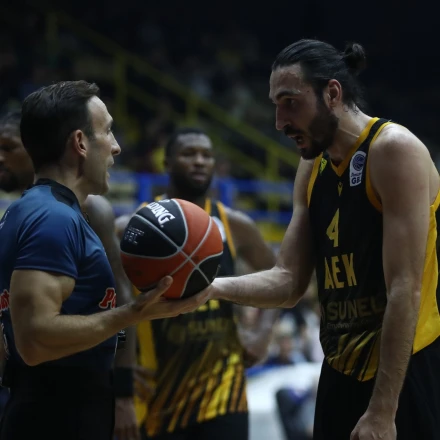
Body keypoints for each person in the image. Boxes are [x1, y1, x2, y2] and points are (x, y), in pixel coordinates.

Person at [203, 39, 440, 440]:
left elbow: (405, 289)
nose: (279, 121)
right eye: (276, 105)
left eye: (290, 103)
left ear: (332, 93)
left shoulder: (394, 150)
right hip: (339, 368)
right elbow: (288, 281)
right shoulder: (311, 166)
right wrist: (211, 288)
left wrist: (383, 410)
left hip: (404, 371)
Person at [0, 81, 209, 440]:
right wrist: (132, 314)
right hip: (56, 414)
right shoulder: (52, 217)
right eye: (108, 131)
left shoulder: (45, 210)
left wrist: (121, 337)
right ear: (80, 143)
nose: (116, 146)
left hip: (61, 403)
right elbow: (33, 340)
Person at [115, 127, 279, 440]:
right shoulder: (133, 229)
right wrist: (119, 365)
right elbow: (112, 303)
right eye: (189, 154)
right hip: (157, 394)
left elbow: (279, 278)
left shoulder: (235, 224)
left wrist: (262, 334)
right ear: (167, 163)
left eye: (207, 155)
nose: (200, 161)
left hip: (223, 392)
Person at [0, 108, 142, 440]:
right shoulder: (28, 212)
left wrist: (122, 386)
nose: (1, 158)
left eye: (8, 147)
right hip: (41, 390)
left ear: (33, 147)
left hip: (72, 390)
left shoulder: (88, 209)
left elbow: (117, 298)